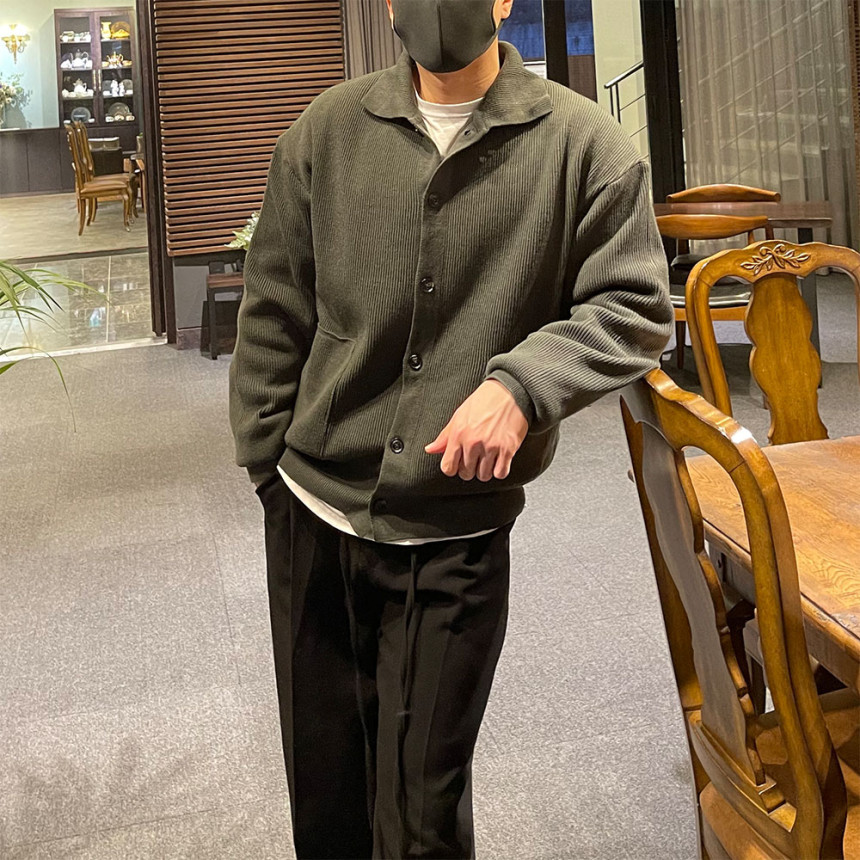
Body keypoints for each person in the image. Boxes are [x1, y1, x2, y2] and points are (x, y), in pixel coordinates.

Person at [229, 0, 672, 857]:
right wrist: (265, 463)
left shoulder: (583, 145)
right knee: (326, 802)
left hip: (455, 531)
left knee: (422, 819)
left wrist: (523, 385)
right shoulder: (327, 131)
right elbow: (275, 302)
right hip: (311, 520)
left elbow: (637, 304)